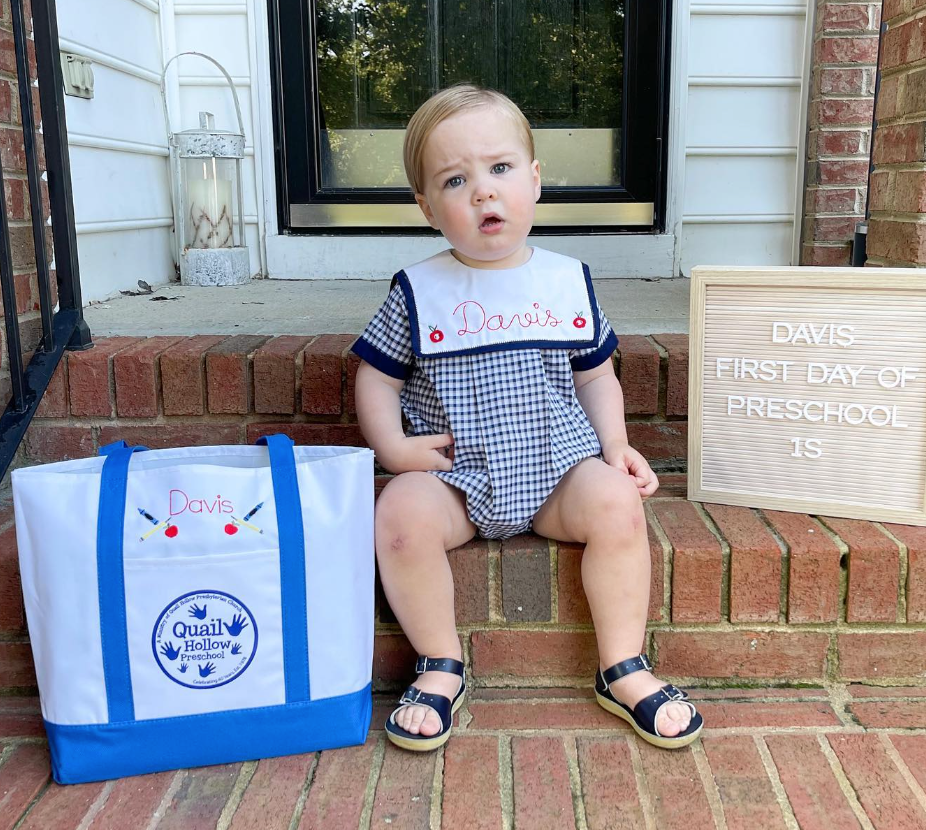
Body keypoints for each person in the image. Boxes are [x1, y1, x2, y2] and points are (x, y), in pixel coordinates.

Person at [352, 84, 703, 752]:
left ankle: (622, 665)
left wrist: (616, 446)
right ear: (427, 207)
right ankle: (439, 664)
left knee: (619, 507)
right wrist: (396, 450)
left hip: (553, 473)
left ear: (535, 181)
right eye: (456, 180)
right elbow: (376, 374)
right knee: (399, 514)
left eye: (500, 168)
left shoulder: (565, 280)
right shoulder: (420, 290)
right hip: (460, 478)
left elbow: (596, 374)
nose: (484, 192)